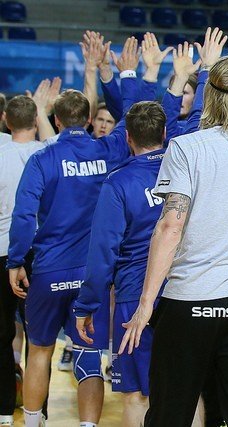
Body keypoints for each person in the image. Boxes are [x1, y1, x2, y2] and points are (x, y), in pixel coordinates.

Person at [119, 25, 228, 426]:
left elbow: (170, 228)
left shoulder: (185, 147)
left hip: (190, 301)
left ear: (208, 94)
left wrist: (146, 304)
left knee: (170, 415)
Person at [7, 35, 140, 427]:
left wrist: (15, 261)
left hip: (49, 270)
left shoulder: (42, 158)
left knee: (40, 352)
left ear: (56, 120)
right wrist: (106, 71)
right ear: (89, 119)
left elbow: (23, 215)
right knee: (88, 356)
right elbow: (132, 113)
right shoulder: (107, 150)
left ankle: (33, 422)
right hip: (91, 275)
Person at [72, 101, 166, 427]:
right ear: (164, 133)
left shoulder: (119, 182)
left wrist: (87, 305)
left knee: (136, 396)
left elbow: (102, 253)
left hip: (133, 297)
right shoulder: (185, 170)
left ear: (127, 138)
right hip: (183, 293)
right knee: (186, 392)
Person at [0, 96, 44, 427]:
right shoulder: (47, 152)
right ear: (37, 119)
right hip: (40, 252)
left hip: (4, 251)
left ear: (5, 120)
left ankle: (3, 407)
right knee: (38, 337)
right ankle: (37, 411)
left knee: (2, 332)